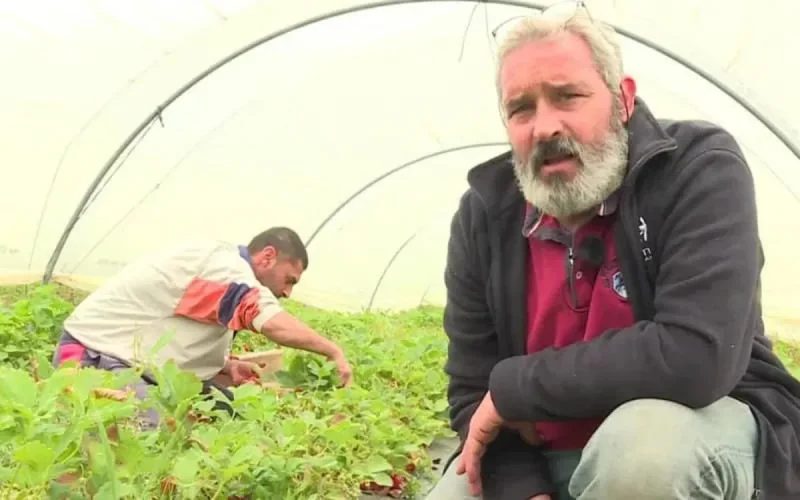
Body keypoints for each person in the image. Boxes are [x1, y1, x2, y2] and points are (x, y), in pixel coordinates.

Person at [427, 4, 800, 500]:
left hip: (700, 431)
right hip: (545, 457)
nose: (544, 127)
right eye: (521, 109)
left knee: (642, 454)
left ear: (623, 99)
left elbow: (697, 355)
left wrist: (516, 387)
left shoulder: (696, 169)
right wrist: (522, 489)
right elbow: (474, 386)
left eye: (568, 96)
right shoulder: (484, 216)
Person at [52, 226, 353, 424]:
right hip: (93, 356)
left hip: (137, 363)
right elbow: (270, 322)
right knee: (145, 442)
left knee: (231, 414)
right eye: (289, 280)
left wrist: (226, 365)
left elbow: (183, 321)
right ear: (267, 257)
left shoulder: (220, 266)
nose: (287, 292)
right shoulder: (224, 266)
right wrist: (332, 351)